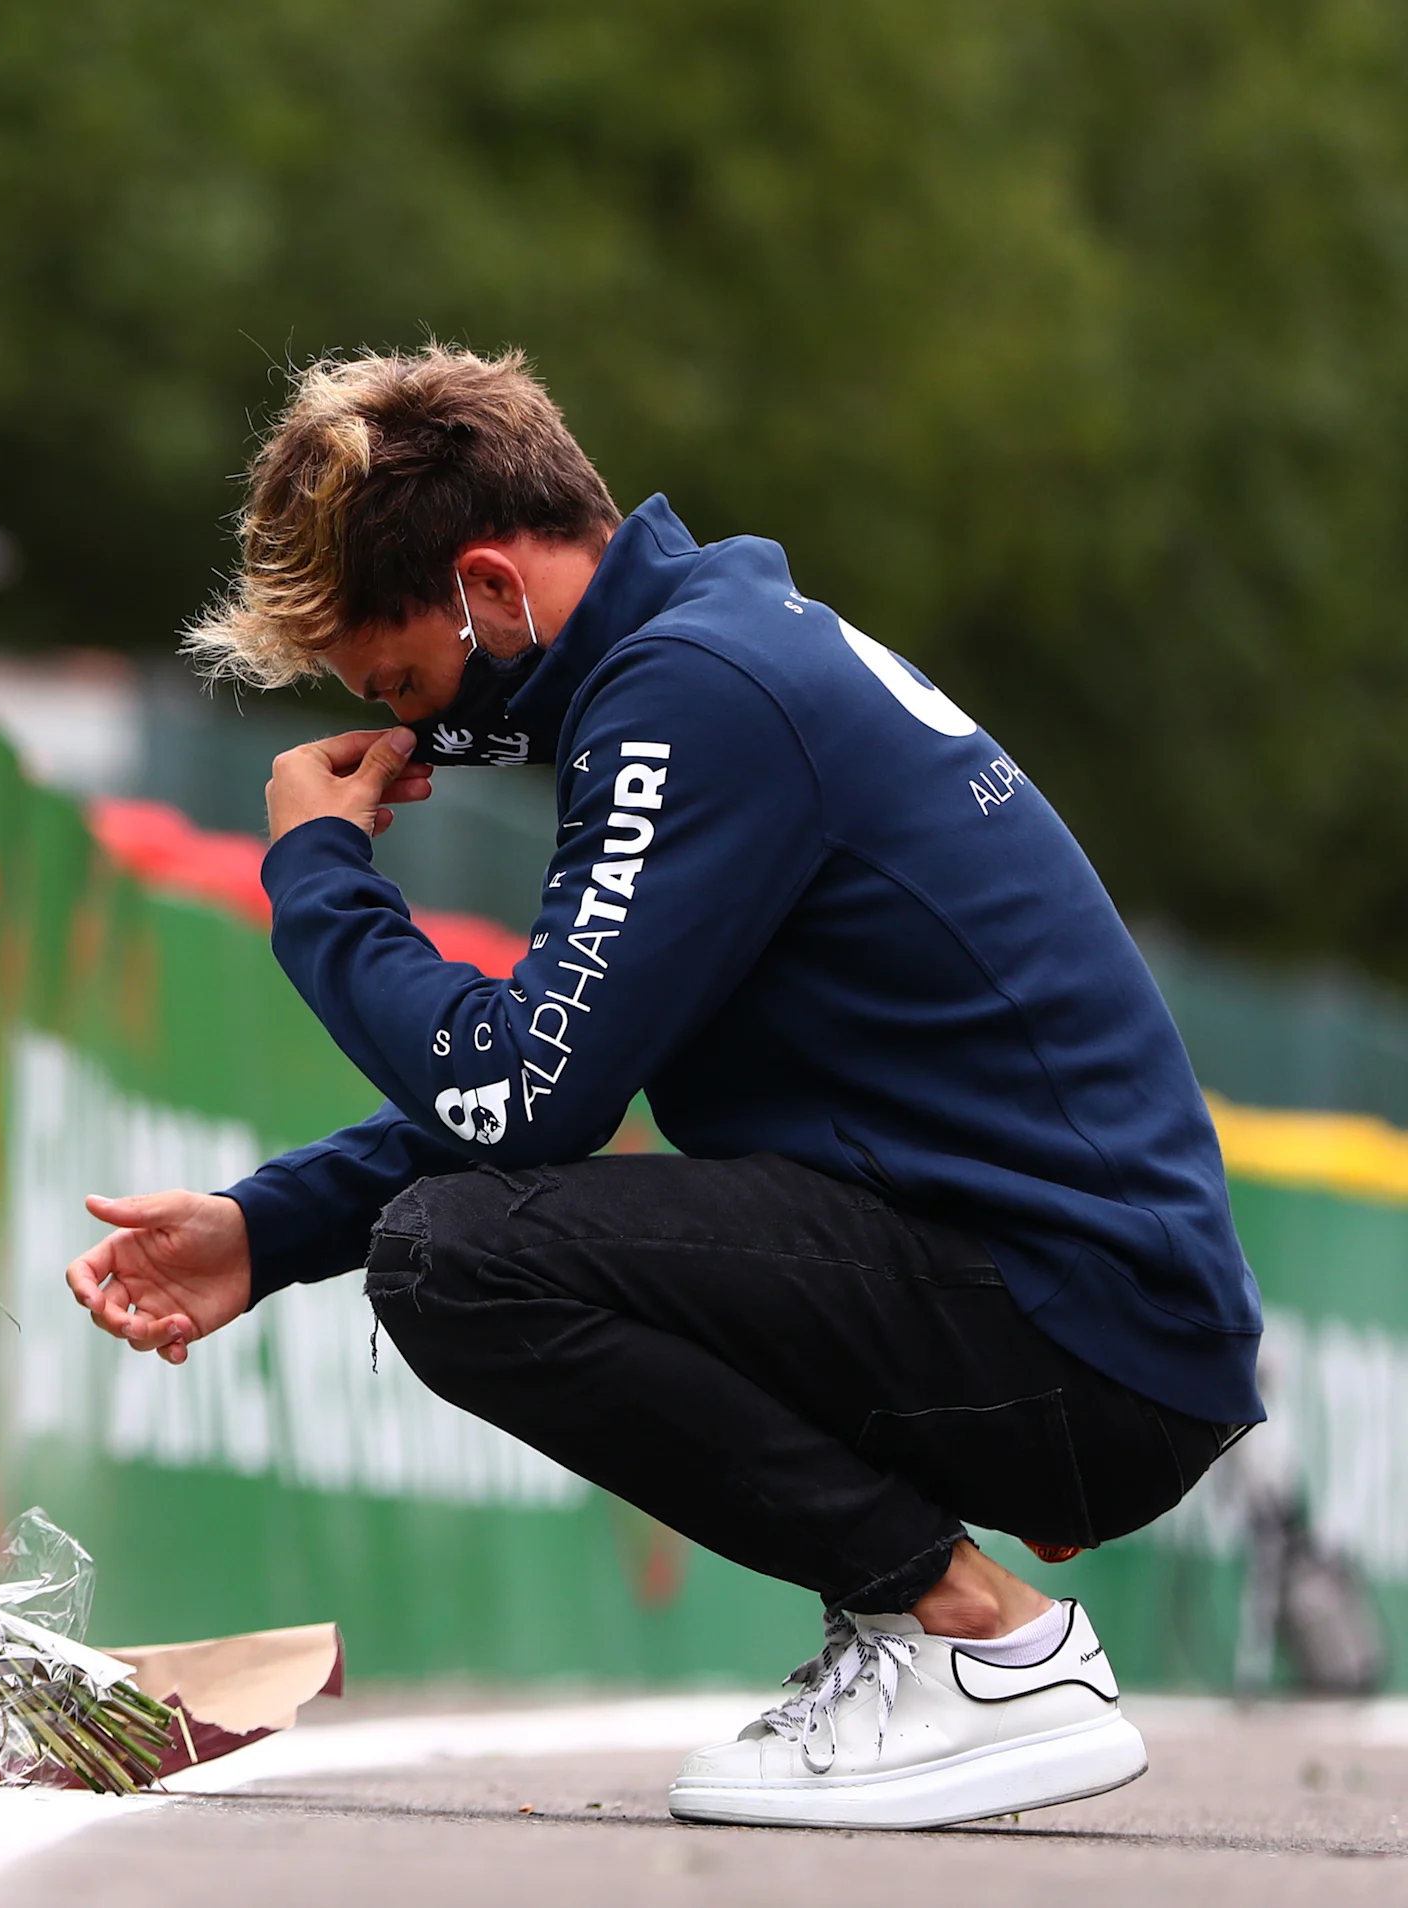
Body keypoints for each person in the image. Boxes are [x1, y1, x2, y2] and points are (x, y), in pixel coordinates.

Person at [64, 345, 1260, 1830]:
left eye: (410, 686)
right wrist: (269, 1229)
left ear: (492, 592)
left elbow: (528, 1094)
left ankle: (969, 1635)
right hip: (1082, 1302)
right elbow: (577, 1065)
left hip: (1078, 1323)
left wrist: (317, 876)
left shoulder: (692, 694)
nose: (416, 735)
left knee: (456, 1260)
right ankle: (925, 1630)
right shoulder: (713, 655)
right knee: (462, 1234)